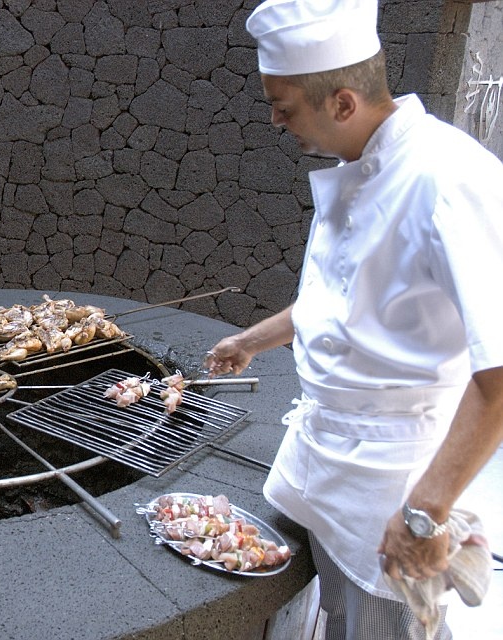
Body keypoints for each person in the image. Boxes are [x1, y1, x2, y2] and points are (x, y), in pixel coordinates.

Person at [206, 1, 503, 638]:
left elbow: (500, 369)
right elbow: (340, 301)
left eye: (284, 108)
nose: (277, 122)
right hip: (324, 459)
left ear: (342, 102)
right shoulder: (360, 164)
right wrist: (252, 340)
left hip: (388, 485)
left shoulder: (448, 178)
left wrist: (426, 510)